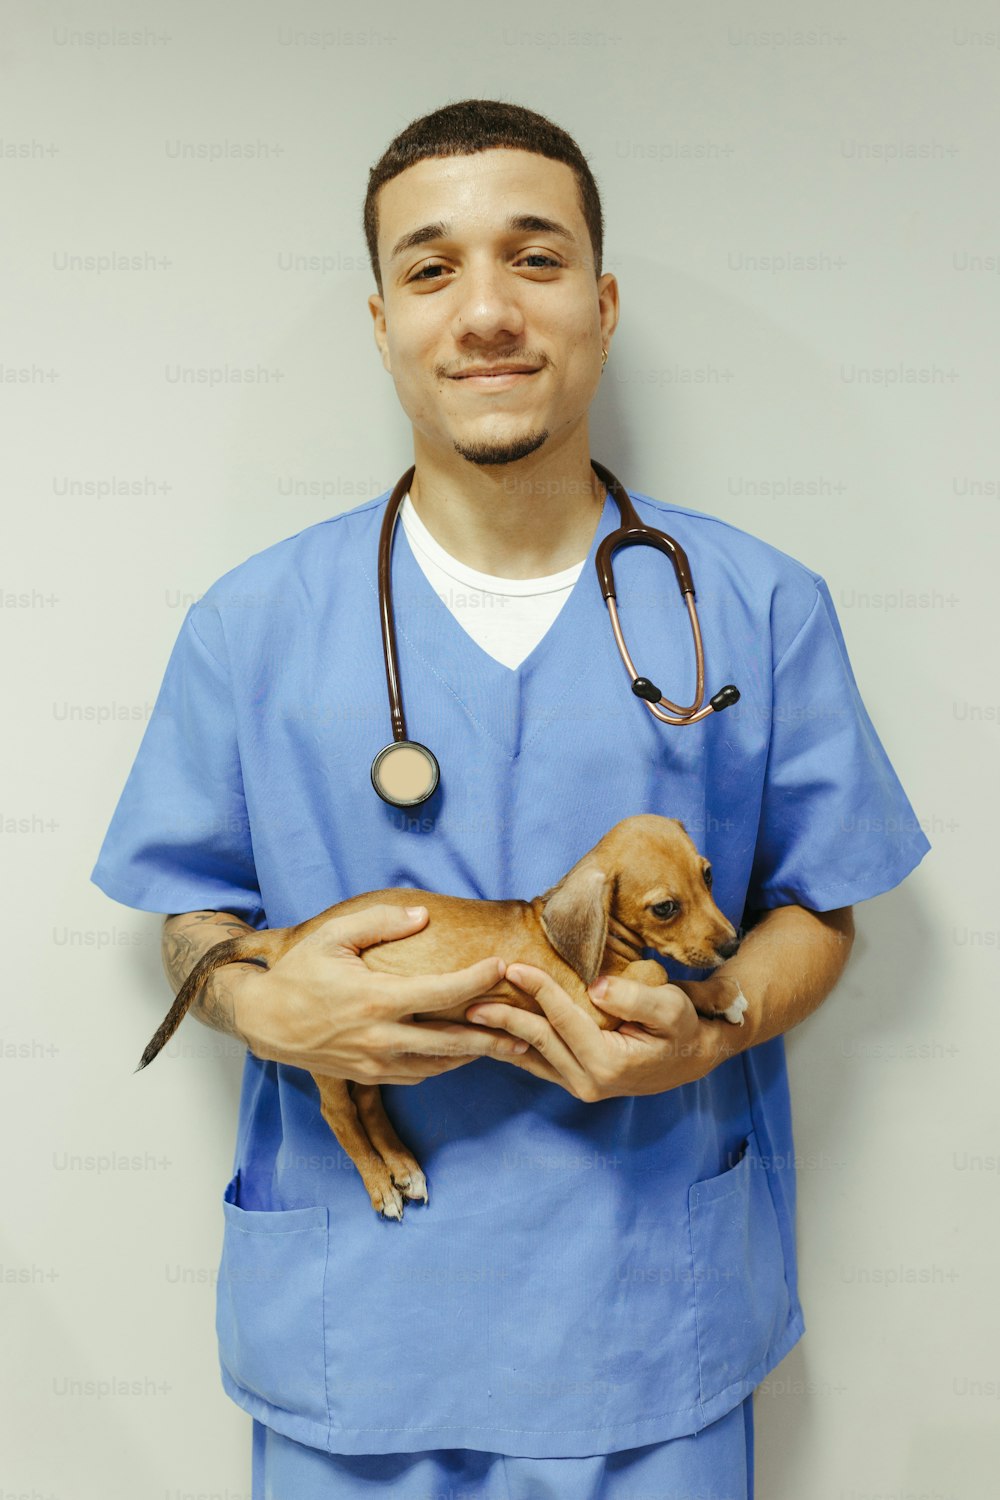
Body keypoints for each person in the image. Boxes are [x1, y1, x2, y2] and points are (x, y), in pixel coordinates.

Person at [91, 99, 931, 1499]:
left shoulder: (757, 609)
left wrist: (711, 1027)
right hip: (358, 1339)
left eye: (534, 260)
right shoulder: (250, 626)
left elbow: (821, 912)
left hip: (646, 1327)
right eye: (432, 269)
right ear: (381, 321)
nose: (486, 310)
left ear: (600, 305)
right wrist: (262, 1003)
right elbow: (190, 915)